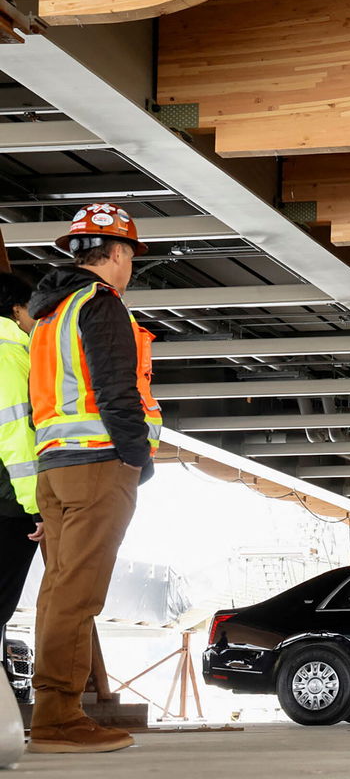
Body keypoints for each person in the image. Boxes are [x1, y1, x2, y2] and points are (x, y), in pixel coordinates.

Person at [26, 204, 160, 754]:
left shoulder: (47, 312)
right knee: (78, 596)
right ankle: (57, 716)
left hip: (54, 467)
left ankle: (52, 710)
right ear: (120, 254)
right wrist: (136, 457)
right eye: (130, 257)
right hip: (96, 464)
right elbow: (115, 388)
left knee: (58, 593)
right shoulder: (100, 305)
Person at [0, 274, 43, 657]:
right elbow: (15, 435)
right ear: (17, 309)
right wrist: (36, 507)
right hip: (8, 504)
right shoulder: (8, 353)